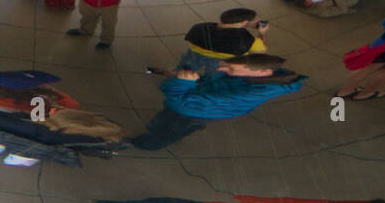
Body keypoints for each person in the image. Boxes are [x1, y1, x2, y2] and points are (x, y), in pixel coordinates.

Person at [131, 54, 306, 149]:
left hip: (193, 111)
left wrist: (181, 83)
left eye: (230, 68)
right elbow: (213, 82)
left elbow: (179, 99)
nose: (222, 69)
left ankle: (149, 144)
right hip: (198, 108)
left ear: (263, 72)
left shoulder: (247, 92)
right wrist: (197, 80)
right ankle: (161, 131)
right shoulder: (253, 79)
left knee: (174, 126)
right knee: (171, 122)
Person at [177, 8, 270, 75]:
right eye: (255, 21)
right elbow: (262, 51)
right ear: (243, 22)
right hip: (222, 64)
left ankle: (179, 75)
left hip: (193, 56)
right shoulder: (248, 40)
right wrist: (262, 33)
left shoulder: (198, 27)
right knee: (214, 79)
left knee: (184, 70)